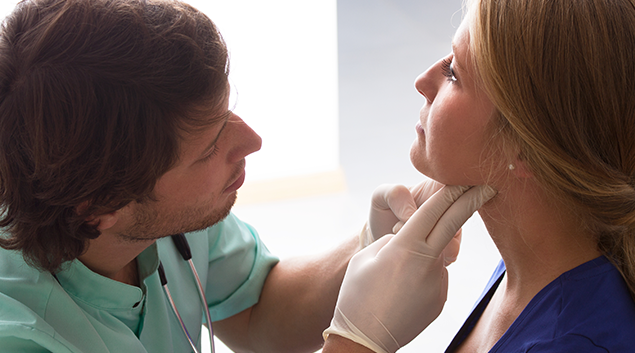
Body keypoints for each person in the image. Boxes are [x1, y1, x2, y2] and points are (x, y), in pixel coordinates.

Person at [0, 0, 496, 352]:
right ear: (99, 208)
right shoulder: (23, 337)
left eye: (226, 112)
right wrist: (357, 341)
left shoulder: (165, 212)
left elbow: (258, 314)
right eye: (211, 146)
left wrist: (367, 244)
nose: (253, 141)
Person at [325, 0, 635, 352]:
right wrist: (369, 244)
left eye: (454, 73)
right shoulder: (532, 267)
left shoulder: (572, 343)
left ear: (525, 148)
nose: (423, 81)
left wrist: (355, 343)